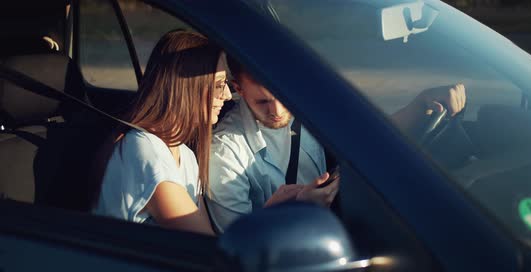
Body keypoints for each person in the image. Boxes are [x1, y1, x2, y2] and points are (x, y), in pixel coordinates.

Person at [206, 55, 466, 232]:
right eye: (262, 102)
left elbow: (366, 135)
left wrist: (420, 105)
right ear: (238, 89)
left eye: (282, 95)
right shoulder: (225, 153)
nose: (277, 110)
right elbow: (234, 247)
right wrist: (292, 211)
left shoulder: (307, 101)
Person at [92, 30, 232, 235]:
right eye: (219, 85)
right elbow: (204, 243)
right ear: (187, 86)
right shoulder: (143, 150)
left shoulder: (186, 155)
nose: (227, 95)